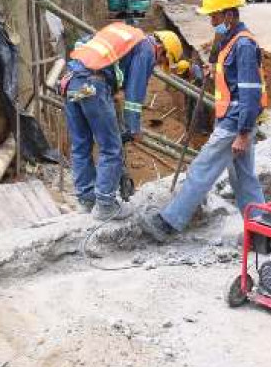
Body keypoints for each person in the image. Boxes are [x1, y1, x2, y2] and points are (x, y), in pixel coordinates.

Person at [139, 0, 266, 241]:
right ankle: (262, 233)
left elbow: (250, 93)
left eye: (215, 16)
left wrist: (242, 133)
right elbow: (227, 81)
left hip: (234, 122)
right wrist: (202, 72)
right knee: (244, 179)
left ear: (229, 15)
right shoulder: (230, 42)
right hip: (233, 120)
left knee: (201, 169)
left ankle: (168, 223)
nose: (211, 21)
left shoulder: (243, 45)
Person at [62, 24, 182, 220]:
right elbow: (134, 94)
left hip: (72, 80)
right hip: (94, 85)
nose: (157, 65)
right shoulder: (146, 49)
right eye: (162, 61)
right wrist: (133, 128)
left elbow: (85, 44)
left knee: (81, 145)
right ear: (161, 49)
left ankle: (86, 200)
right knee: (111, 148)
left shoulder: (124, 33)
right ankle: (105, 204)